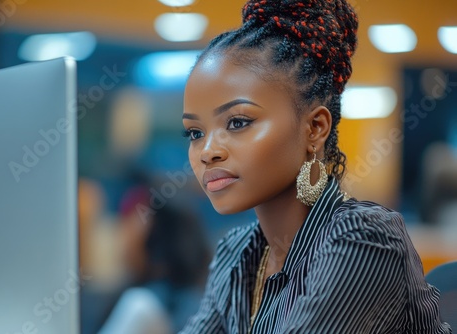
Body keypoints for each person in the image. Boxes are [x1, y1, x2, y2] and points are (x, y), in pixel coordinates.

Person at [179, 0, 452, 333]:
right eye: (195, 132)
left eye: (237, 122)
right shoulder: (237, 252)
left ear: (315, 128)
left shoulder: (363, 239)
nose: (207, 151)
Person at [98, 184, 212, 334]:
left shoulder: (142, 306)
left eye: (130, 221)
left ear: (153, 237)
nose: (122, 236)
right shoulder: (198, 301)